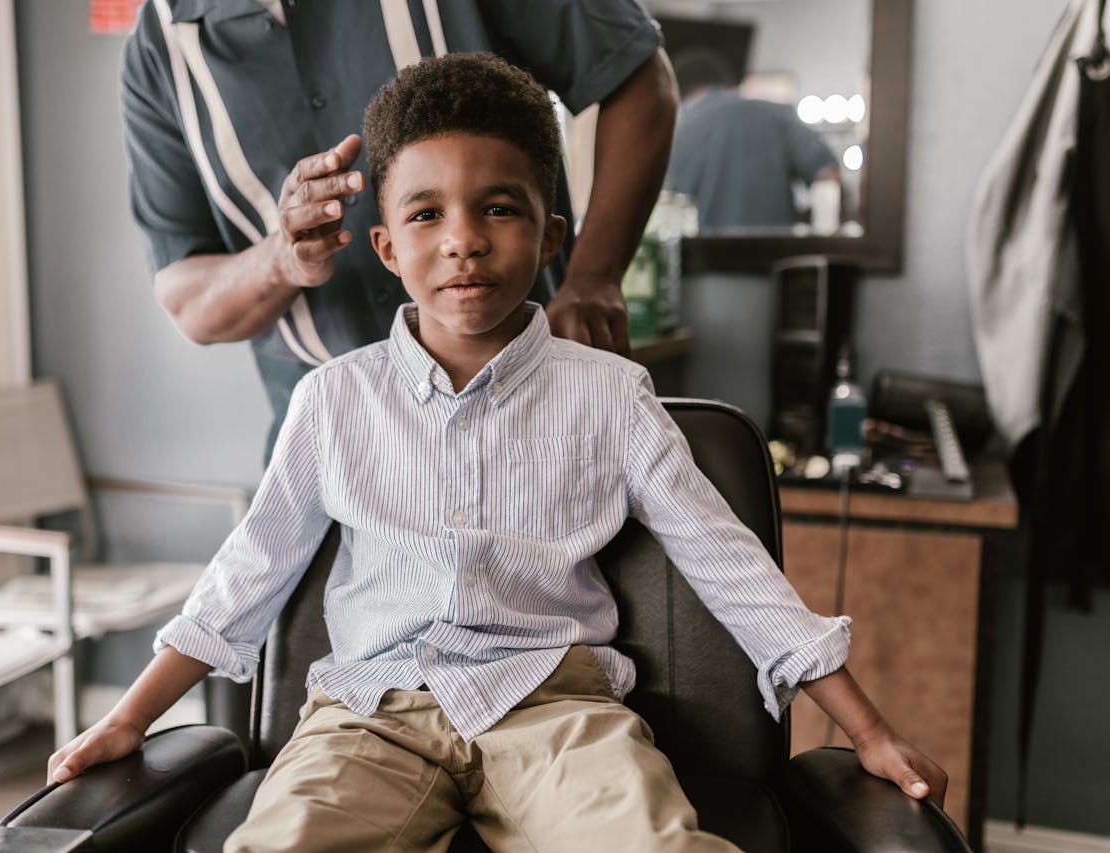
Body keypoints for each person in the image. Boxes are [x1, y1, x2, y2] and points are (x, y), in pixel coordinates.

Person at [53, 53, 947, 851]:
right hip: (367, 716)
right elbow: (243, 577)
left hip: (557, 710)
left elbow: (732, 569)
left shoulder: (610, 397)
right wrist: (129, 718)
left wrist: (867, 729)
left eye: (500, 208)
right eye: (426, 214)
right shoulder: (333, 401)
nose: (464, 239)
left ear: (551, 236)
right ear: (387, 247)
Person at [121, 0, 678, 458]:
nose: (460, 241)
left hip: (537, 412)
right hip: (339, 448)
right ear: (383, 247)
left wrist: (595, 276)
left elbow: (637, 75)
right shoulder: (160, 47)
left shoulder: (621, 408)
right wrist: (280, 259)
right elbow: (188, 300)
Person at [663, 47, 840, 231]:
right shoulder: (777, 115)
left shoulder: (679, 131)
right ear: (730, 85)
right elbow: (828, 172)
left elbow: (664, 207)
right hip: (779, 253)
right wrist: (822, 232)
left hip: (708, 255)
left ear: (677, 93)